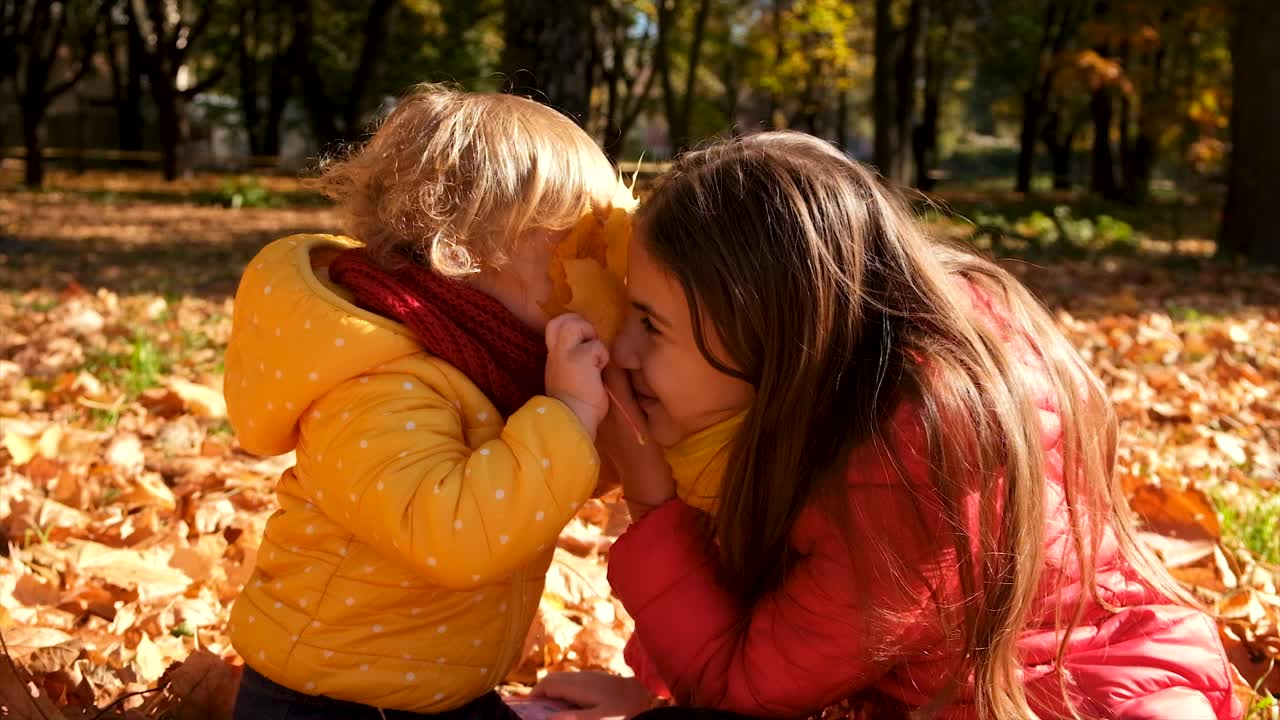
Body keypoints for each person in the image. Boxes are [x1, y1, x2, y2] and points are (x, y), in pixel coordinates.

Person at [535, 132, 1243, 720]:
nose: (622, 351)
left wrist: (654, 503)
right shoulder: (836, 388)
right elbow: (780, 628)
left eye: (651, 325)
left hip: (1078, 702)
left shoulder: (908, 467)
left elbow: (749, 689)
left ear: (771, 338)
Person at [224, 84, 624, 719]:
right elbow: (454, 534)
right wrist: (571, 414)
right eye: (574, 243)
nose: (598, 262)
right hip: (326, 701)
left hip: (436, 693)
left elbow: (552, 474)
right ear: (465, 251)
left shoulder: (494, 360)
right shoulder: (377, 380)